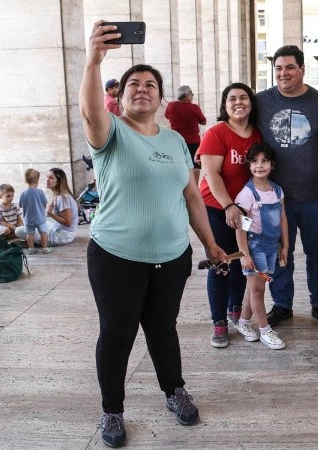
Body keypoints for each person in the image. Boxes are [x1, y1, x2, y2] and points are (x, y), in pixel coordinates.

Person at [79, 20, 227, 448]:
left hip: (171, 255)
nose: (141, 89)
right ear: (121, 96)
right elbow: (90, 111)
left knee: (163, 328)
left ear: (162, 98)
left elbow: (192, 196)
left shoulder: (176, 142)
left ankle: (174, 391)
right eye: (133, 84)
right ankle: (112, 410)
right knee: (118, 334)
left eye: (150, 84)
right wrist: (94, 59)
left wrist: (209, 243)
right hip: (116, 256)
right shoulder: (110, 132)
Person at [255, 45, 318, 329]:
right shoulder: (262, 101)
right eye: (278, 68)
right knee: (281, 253)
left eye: (290, 67)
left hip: (316, 195)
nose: (283, 73)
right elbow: (238, 126)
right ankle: (282, 304)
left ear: (302, 69)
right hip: (275, 199)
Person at [197, 82, 262, 348]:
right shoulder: (216, 133)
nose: (238, 102)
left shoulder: (258, 135)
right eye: (232, 98)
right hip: (216, 207)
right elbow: (211, 174)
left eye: (243, 97)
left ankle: (235, 308)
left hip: (247, 209)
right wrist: (228, 206)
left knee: (241, 259)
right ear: (225, 105)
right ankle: (218, 322)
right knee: (220, 263)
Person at [234, 142, 289, 349]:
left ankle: (242, 322)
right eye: (255, 161)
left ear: (272, 165)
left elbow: (283, 218)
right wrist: (244, 255)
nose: (260, 165)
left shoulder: (277, 190)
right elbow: (240, 228)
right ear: (248, 165)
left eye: (264, 161)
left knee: (255, 286)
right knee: (257, 290)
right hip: (254, 247)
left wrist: (285, 245)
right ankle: (265, 330)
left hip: (271, 246)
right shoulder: (247, 194)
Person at [15, 168, 79, 247]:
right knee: (35, 223)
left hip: (64, 235)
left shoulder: (62, 198)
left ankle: (34, 242)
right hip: (57, 228)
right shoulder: (58, 195)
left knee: (19, 230)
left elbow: (68, 223)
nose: (47, 180)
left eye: (51, 178)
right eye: (47, 177)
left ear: (58, 181)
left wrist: (50, 213)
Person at [165, 85, 207, 180]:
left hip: (176, 140)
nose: (192, 96)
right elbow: (204, 122)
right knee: (195, 164)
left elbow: (167, 116)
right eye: (191, 94)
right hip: (193, 141)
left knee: (179, 164)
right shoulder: (194, 108)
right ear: (187, 95)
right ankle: (194, 187)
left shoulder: (171, 106)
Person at [18, 168, 51, 255]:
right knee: (43, 232)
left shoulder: (23, 193)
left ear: (25, 180)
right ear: (37, 180)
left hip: (28, 219)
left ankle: (31, 248)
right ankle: (45, 248)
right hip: (40, 218)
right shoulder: (40, 192)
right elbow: (45, 203)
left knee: (30, 234)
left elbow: (20, 205)